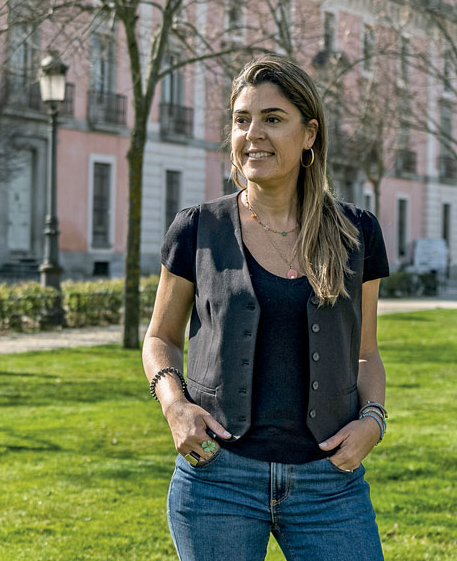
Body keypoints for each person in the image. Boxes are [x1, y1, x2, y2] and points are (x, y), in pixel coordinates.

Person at [142, 55, 390, 561]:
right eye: (242, 120)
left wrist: (373, 421)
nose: (253, 134)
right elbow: (160, 338)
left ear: (309, 134)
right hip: (218, 479)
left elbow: (365, 351)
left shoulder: (357, 233)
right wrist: (174, 406)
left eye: (273, 119)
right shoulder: (197, 229)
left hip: (329, 483)